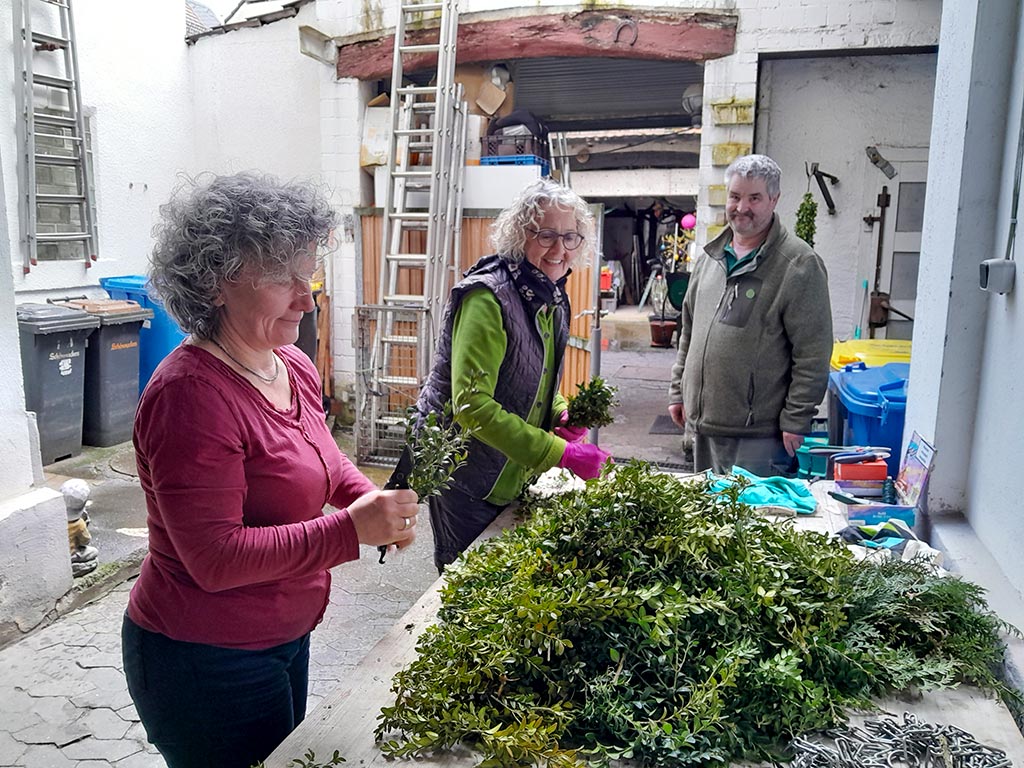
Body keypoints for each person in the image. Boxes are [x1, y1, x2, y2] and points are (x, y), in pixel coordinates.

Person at [120, 172, 419, 768]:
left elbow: (325, 463)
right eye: (284, 279)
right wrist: (351, 530)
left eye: (306, 276)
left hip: (283, 635)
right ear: (216, 282)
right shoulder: (191, 396)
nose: (307, 299)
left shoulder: (291, 363)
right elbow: (214, 557)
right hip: (204, 656)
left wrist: (373, 502)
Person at [417, 178, 612, 573]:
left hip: (508, 470)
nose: (559, 249)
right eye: (546, 235)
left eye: (570, 236)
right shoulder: (487, 299)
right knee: (465, 589)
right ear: (519, 235)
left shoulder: (549, 296)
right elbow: (471, 407)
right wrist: (561, 454)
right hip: (465, 471)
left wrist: (559, 413)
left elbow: (535, 377)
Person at [667, 154, 832, 476]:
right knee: (707, 520)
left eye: (754, 198)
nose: (742, 207)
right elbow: (688, 332)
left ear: (774, 199)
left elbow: (812, 353)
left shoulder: (798, 265)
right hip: (704, 428)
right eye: (735, 196)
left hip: (760, 437)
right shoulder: (709, 260)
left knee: (753, 521)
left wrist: (797, 419)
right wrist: (678, 391)